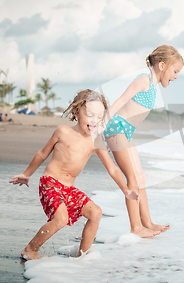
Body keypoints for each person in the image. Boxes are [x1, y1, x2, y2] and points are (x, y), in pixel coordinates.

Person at [9, 90, 139, 260]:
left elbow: (112, 169)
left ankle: (82, 256)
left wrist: (126, 191)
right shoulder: (62, 132)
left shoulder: (96, 141)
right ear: (77, 113)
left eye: (98, 117)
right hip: (50, 183)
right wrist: (27, 174)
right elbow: (42, 153)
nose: (94, 121)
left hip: (68, 189)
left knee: (96, 213)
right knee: (61, 219)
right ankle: (30, 249)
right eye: (90, 115)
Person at [95, 45, 183, 238]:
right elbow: (120, 101)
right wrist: (102, 124)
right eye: (175, 71)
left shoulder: (153, 84)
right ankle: (136, 228)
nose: (176, 76)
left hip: (127, 132)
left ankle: (147, 222)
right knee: (132, 179)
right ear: (162, 65)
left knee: (140, 177)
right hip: (116, 128)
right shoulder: (144, 80)